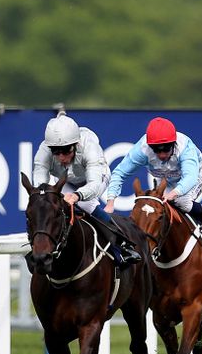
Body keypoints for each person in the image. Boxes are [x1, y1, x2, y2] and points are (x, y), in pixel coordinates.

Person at [32, 110, 142, 267]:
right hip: (67, 180)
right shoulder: (44, 151)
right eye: (56, 151)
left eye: (66, 150)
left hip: (97, 178)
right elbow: (40, 184)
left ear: (76, 145)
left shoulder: (89, 147)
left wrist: (77, 196)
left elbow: (94, 185)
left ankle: (122, 246)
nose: (61, 157)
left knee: (85, 204)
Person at [104, 117, 202, 234]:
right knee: (156, 205)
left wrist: (173, 193)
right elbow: (119, 173)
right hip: (166, 178)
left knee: (181, 202)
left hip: (194, 176)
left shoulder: (185, 148)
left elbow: (190, 177)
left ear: (174, 144)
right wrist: (110, 203)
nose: (162, 155)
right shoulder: (142, 150)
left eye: (166, 149)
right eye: (156, 150)